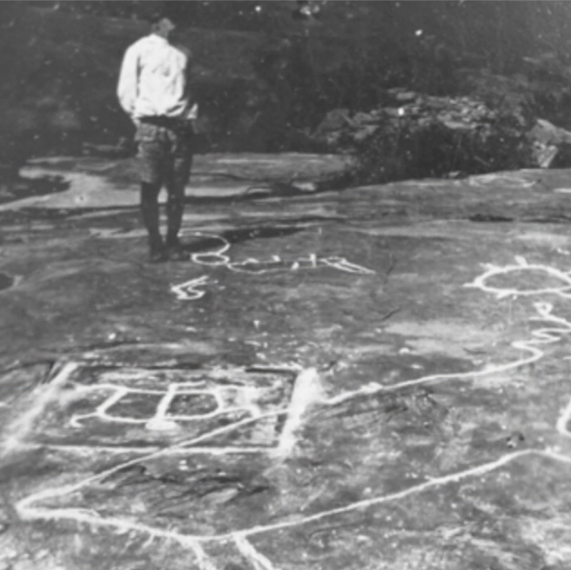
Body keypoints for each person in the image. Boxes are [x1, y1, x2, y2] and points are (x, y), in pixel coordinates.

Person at [117, 15, 197, 262]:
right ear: (158, 22)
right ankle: (155, 242)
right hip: (151, 126)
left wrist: (188, 119)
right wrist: (140, 121)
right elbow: (127, 90)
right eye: (170, 20)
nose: (176, 26)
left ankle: (173, 241)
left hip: (180, 128)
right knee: (150, 185)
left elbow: (190, 91)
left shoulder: (184, 53)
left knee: (177, 188)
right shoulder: (139, 50)